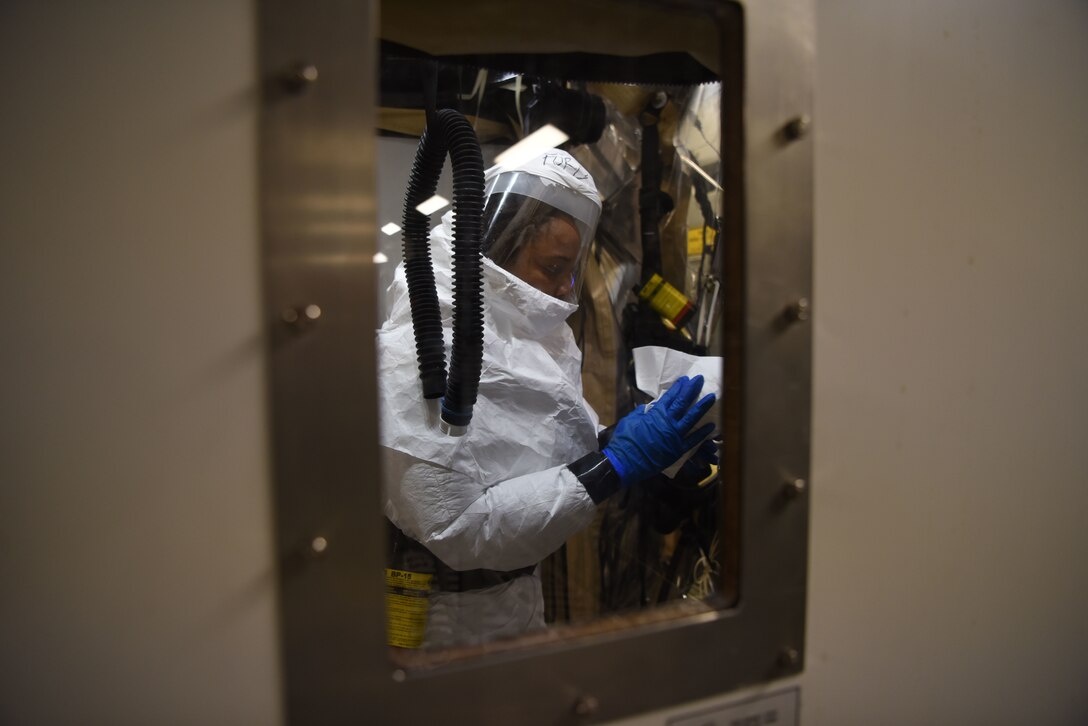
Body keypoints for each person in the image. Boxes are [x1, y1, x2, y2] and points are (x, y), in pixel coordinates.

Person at [379, 149, 715, 649]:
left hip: (513, 600)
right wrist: (614, 464)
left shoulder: (535, 343)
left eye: (570, 267)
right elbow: (460, 528)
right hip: (437, 621)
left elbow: (525, 455)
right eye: (553, 266)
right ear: (495, 246)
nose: (564, 286)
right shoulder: (415, 354)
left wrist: (628, 447)